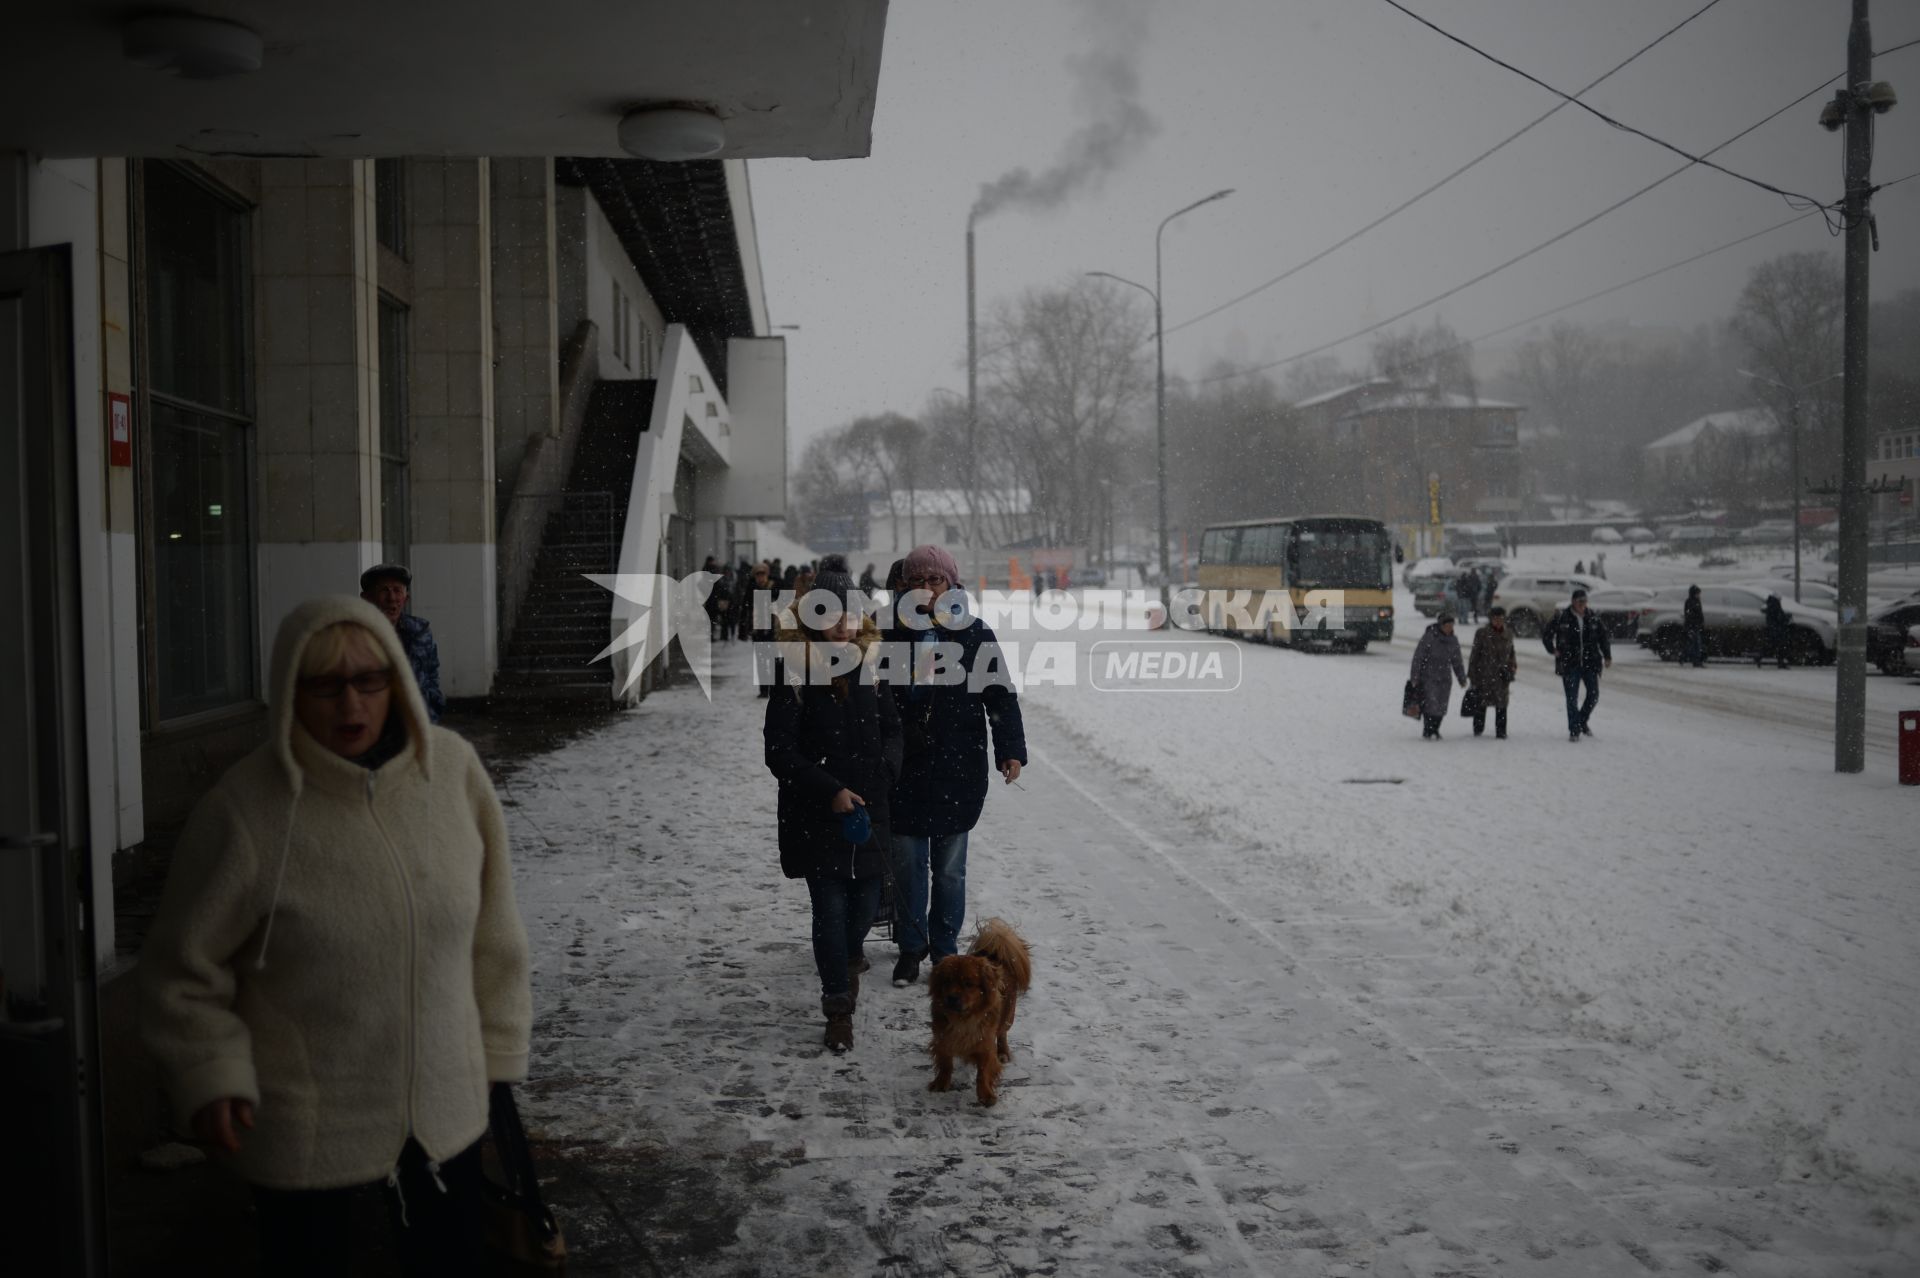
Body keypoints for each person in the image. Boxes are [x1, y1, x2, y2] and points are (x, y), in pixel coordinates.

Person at [139, 596, 530, 1277]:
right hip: (308, 1141)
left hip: (445, 1119)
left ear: (396, 680)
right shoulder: (244, 811)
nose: (350, 704)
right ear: (289, 690)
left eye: (369, 680)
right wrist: (209, 1070)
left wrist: (496, 1059)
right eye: (324, 686)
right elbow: (182, 971)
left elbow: (495, 935)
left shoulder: (454, 775)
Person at [764, 563, 899, 1053]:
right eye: (830, 612)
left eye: (849, 612)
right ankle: (838, 1005)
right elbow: (778, 751)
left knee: (864, 908)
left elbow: (893, 731)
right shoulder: (795, 671)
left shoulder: (872, 666)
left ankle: (846, 963)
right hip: (817, 814)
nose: (842, 622)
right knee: (830, 910)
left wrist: (885, 771)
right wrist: (829, 789)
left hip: (870, 810)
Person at [886, 544, 1027, 986]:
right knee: (908, 865)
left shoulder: (974, 633)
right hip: (902, 768)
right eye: (917, 580)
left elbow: (1000, 694)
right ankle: (911, 947)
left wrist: (1010, 749)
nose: (926, 588)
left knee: (949, 868)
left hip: (957, 766)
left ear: (951, 584)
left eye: (935, 580)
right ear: (904, 585)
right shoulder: (887, 632)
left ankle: (944, 951)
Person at [359, 564, 443, 724]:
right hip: (373, 728)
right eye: (384, 590)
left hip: (417, 723)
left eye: (397, 590)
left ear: (406, 598)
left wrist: (431, 712)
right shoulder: (357, 635)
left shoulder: (420, 631)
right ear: (367, 598)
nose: (392, 598)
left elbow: (432, 675)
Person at [1542, 588, 1611, 742]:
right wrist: (1553, 650)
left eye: (1585, 602)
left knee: (1593, 695)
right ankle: (1574, 730)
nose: (1583, 605)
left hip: (1590, 663)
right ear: (1573, 602)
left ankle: (1581, 720)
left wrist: (1607, 656)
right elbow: (1547, 634)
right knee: (1571, 699)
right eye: (1580, 602)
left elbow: (1603, 637)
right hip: (1569, 665)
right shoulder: (1562, 617)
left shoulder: (1593, 617)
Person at [1408, 611, 1467, 741]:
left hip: (1445, 679)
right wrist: (1415, 677)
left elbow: (1457, 661)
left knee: (1442, 706)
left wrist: (1462, 678)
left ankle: (1436, 728)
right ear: (1441, 625)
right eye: (1447, 625)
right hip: (1429, 677)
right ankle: (1428, 729)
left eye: (1452, 625)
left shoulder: (1453, 640)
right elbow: (1418, 658)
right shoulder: (1429, 637)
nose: (1450, 628)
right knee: (1430, 705)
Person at [1467, 606, 1517, 739]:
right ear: (1491, 619)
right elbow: (1474, 655)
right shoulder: (1482, 633)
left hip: (1502, 676)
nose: (1499, 621)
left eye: (1501, 618)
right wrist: (1472, 675)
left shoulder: (1509, 633)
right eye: (1495, 618)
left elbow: (1511, 652)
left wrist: (1512, 666)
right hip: (1484, 674)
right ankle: (1478, 729)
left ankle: (1501, 731)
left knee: (1501, 704)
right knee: (1481, 702)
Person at [1760, 593, 1794, 669]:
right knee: (1779, 647)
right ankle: (1780, 662)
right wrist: (1787, 618)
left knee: (1774, 647)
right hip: (1777, 630)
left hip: (1774, 629)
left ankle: (1760, 657)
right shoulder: (1775, 605)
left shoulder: (1771, 604)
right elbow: (1780, 617)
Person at [1683, 585, 1707, 667]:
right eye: (1698, 593)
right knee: (1695, 644)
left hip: (1696, 626)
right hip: (1692, 626)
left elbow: (1699, 614)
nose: (1699, 595)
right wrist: (1695, 623)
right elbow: (1690, 615)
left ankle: (1688, 658)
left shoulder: (1697, 601)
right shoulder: (1690, 601)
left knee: (1695, 644)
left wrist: (1701, 622)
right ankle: (1695, 660)